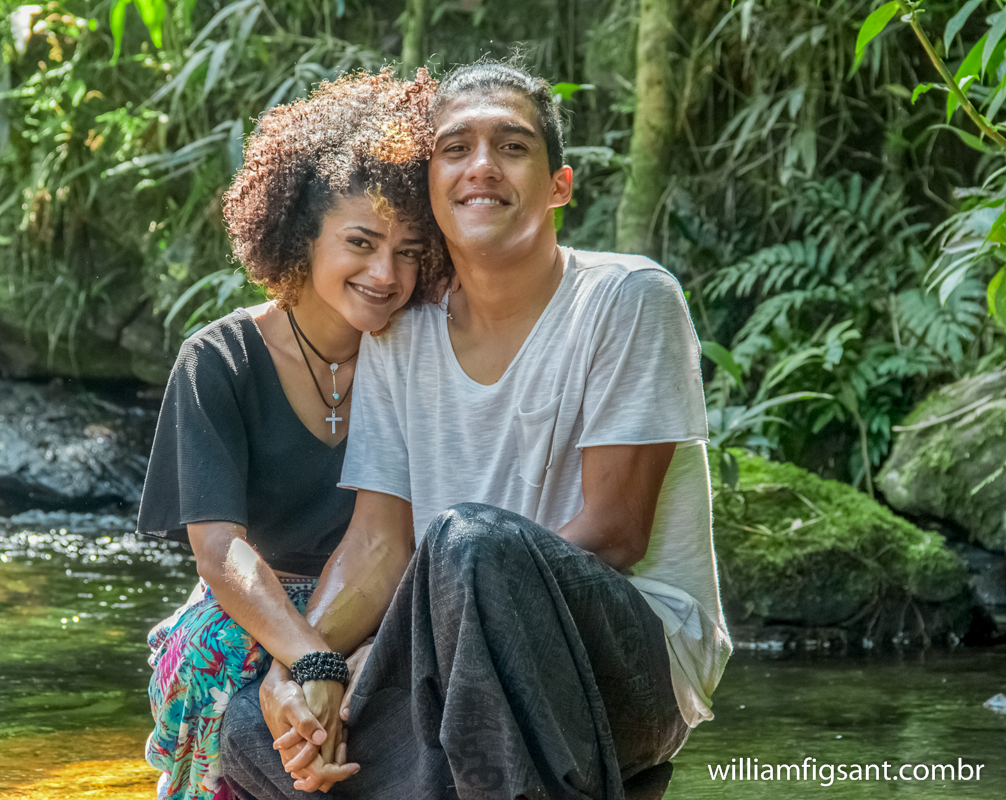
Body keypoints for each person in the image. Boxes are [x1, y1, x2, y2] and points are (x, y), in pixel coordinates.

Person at [219, 60, 733, 800]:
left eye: (513, 147)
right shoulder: (399, 336)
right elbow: (377, 543)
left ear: (560, 186)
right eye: (455, 148)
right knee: (250, 729)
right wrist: (308, 667)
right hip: (453, 661)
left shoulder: (627, 298)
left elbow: (617, 533)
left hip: (628, 669)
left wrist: (404, 647)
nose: (481, 167)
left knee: (470, 544)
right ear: (428, 186)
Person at [134, 68, 448, 800]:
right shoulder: (217, 360)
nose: (387, 273)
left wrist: (328, 661)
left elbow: (391, 542)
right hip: (256, 608)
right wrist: (310, 661)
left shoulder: (422, 350)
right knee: (207, 648)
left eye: (409, 252)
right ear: (301, 237)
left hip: (387, 597)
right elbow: (219, 550)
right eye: (363, 243)